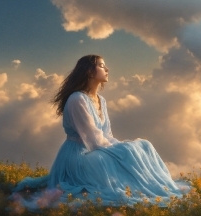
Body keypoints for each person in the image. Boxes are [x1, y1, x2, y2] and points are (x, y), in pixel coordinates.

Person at [12, 55, 190, 207]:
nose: (107, 69)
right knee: (123, 153)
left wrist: (122, 146)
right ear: (89, 71)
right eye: (102, 66)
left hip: (96, 148)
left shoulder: (100, 100)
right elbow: (93, 139)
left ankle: (159, 186)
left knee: (144, 146)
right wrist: (122, 150)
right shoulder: (77, 99)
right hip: (78, 156)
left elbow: (107, 135)